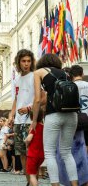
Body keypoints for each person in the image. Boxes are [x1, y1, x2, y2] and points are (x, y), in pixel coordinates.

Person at [32, 53, 78, 186]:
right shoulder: (66, 74)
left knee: (50, 153)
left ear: (42, 62)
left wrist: (35, 120)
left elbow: (38, 99)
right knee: (67, 153)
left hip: (54, 114)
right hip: (72, 114)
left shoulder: (39, 72)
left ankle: (55, 184)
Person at [9, 49, 35, 184]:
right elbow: (15, 100)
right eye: (23, 61)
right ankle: (28, 181)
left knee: (31, 153)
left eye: (29, 61)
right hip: (18, 122)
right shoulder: (16, 79)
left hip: (31, 120)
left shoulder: (35, 76)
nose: (26, 64)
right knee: (21, 154)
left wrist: (29, 107)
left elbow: (41, 97)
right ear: (19, 62)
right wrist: (10, 116)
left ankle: (33, 180)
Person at [70, 65, 88, 150]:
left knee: (77, 145)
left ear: (71, 75)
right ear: (82, 74)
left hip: (75, 119)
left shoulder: (69, 87)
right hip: (87, 117)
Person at [25, 108, 44, 186]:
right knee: (36, 172)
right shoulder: (44, 127)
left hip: (32, 154)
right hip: (41, 155)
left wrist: (26, 143)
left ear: (31, 117)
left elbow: (29, 139)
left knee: (32, 175)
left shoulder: (34, 127)